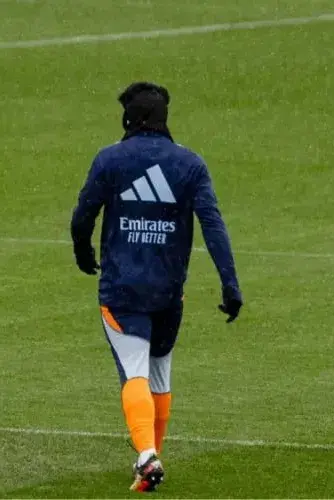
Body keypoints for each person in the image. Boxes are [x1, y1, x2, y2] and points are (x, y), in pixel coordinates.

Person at [70, 82, 244, 490]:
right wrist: (229, 283)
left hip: (123, 290)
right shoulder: (189, 164)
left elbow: (83, 215)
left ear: (132, 119)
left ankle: (147, 455)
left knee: (134, 370)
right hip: (168, 292)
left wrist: (82, 250)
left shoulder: (111, 160)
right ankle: (149, 463)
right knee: (160, 373)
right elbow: (213, 225)